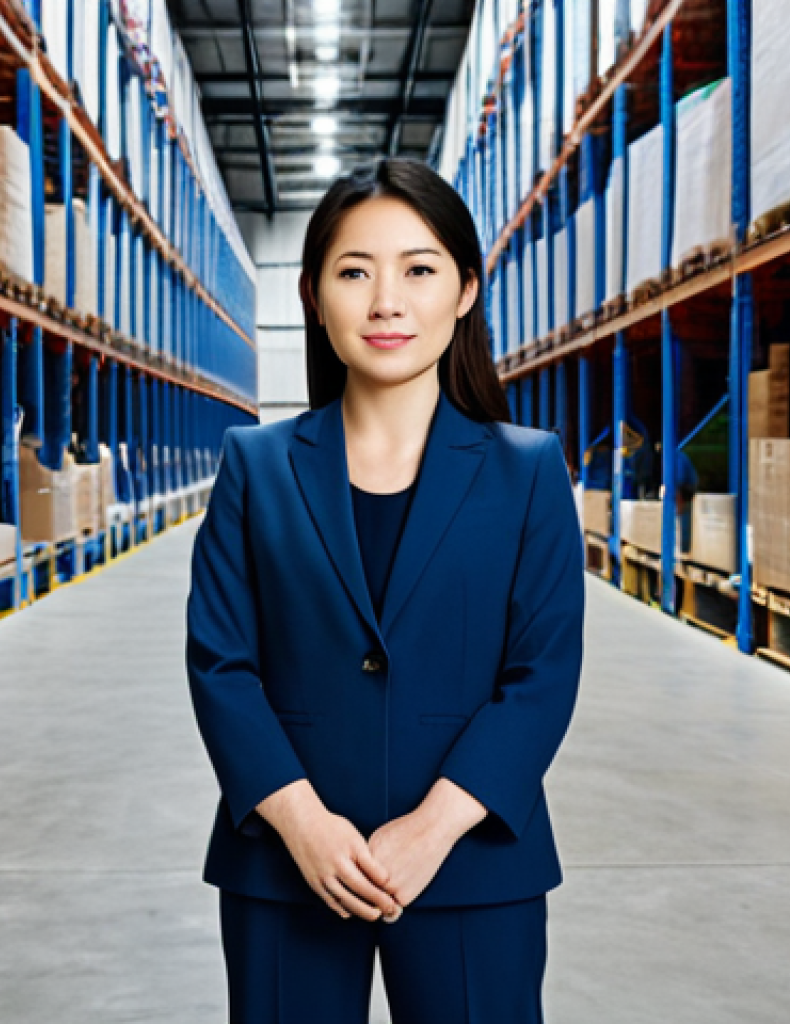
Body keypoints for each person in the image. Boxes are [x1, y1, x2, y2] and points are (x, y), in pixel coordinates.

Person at [186, 158, 586, 1024]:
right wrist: (303, 823)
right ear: (313, 296)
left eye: (419, 270)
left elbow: (541, 677)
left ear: (466, 290)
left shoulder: (527, 472)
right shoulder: (255, 467)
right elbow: (221, 665)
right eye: (354, 273)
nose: (386, 302)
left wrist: (433, 826)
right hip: (287, 863)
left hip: (474, 858)